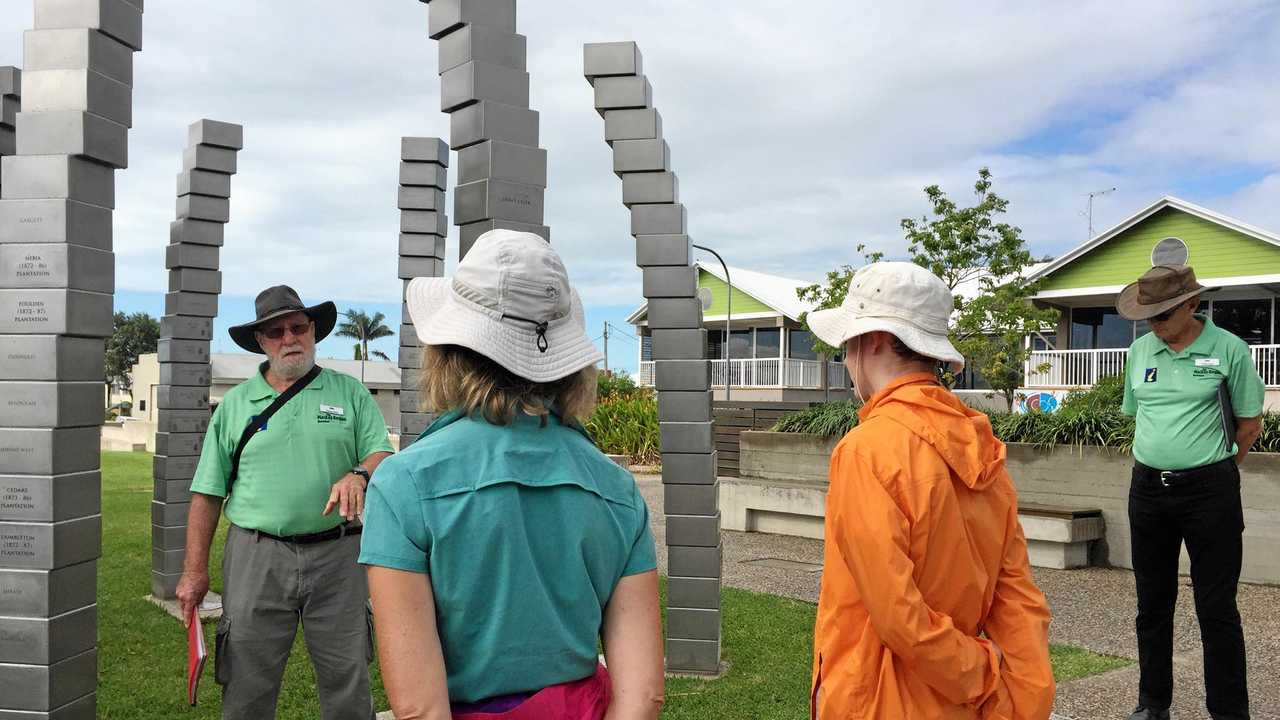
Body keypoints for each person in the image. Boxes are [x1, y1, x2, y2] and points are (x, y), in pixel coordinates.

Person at [358, 229, 664, 720]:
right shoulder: (617, 489)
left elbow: (419, 708)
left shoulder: (403, 485)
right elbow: (642, 697)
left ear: (448, 351)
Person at [806, 262, 1055, 719]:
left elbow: (897, 613)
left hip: (877, 695)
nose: (845, 362)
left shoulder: (866, 449)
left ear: (874, 339)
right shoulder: (982, 447)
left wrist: (976, 670)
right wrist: (1021, 692)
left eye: (846, 346)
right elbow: (1016, 596)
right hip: (966, 703)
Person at [176, 285, 394, 720]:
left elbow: (381, 452)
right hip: (257, 557)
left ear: (313, 331)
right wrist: (194, 572)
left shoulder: (349, 393)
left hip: (340, 555)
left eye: (298, 327)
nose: (289, 338)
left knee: (347, 678)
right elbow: (207, 492)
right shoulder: (235, 406)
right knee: (246, 682)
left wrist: (360, 474)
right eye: (276, 331)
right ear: (261, 341)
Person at [1116, 265, 1262, 720]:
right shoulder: (1140, 352)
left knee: (1216, 607)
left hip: (1210, 493)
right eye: (1147, 316)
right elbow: (1138, 413)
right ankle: (1153, 703)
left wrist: (1214, 470)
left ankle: (1229, 711)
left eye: (1162, 315)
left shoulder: (1229, 350)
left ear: (1192, 305)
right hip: (1148, 491)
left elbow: (1249, 424)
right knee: (1151, 604)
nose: (1153, 324)